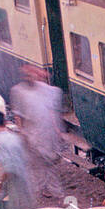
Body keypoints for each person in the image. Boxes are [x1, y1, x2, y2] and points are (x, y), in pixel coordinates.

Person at [9, 64, 64, 200]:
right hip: (32, 134)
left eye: (34, 74)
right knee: (37, 165)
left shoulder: (49, 91)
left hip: (47, 133)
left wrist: (57, 130)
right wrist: (22, 133)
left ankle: (48, 190)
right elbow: (18, 116)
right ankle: (42, 192)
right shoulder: (18, 92)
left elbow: (53, 112)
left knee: (49, 163)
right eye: (28, 75)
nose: (32, 77)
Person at [0, 112, 35, 209]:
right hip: (24, 175)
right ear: (5, 122)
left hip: (12, 179)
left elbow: (4, 165)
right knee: (26, 208)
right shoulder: (13, 136)